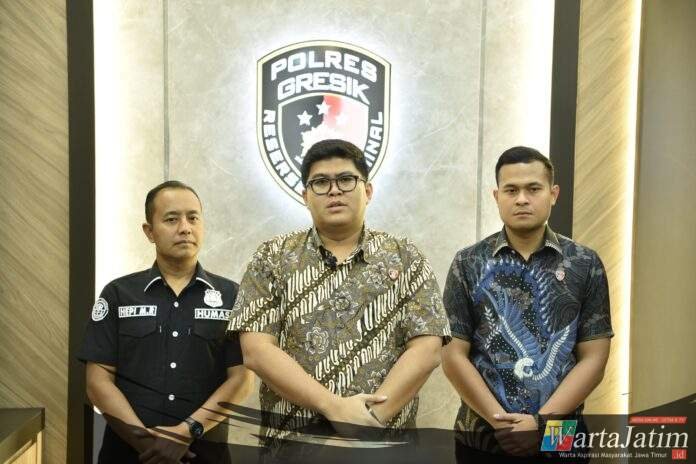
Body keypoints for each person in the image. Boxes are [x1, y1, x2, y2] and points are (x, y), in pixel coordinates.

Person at [227, 139, 451, 450]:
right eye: (320, 182)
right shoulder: (272, 257)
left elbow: (427, 349)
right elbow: (256, 350)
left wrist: (366, 422)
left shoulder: (405, 256)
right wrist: (333, 407)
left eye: (346, 179)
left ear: (367, 191)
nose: (334, 191)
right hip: (294, 448)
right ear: (305, 196)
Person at [442, 146, 613, 460]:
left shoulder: (584, 263)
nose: (522, 199)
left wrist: (541, 424)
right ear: (497, 197)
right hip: (484, 435)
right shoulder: (467, 263)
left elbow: (594, 358)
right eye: (511, 190)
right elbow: (453, 355)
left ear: (553, 194)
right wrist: (503, 425)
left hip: (561, 435)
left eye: (533, 189)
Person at [78, 181, 254, 463]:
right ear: (149, 231)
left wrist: (185, 432)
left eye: (193, 218)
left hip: (205, 455)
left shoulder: (231, 296)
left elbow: (241, 380)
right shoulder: (118, 294)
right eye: (172, 219)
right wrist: (149, 444)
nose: (185, 228)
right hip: (128, 456)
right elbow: (97, 382)